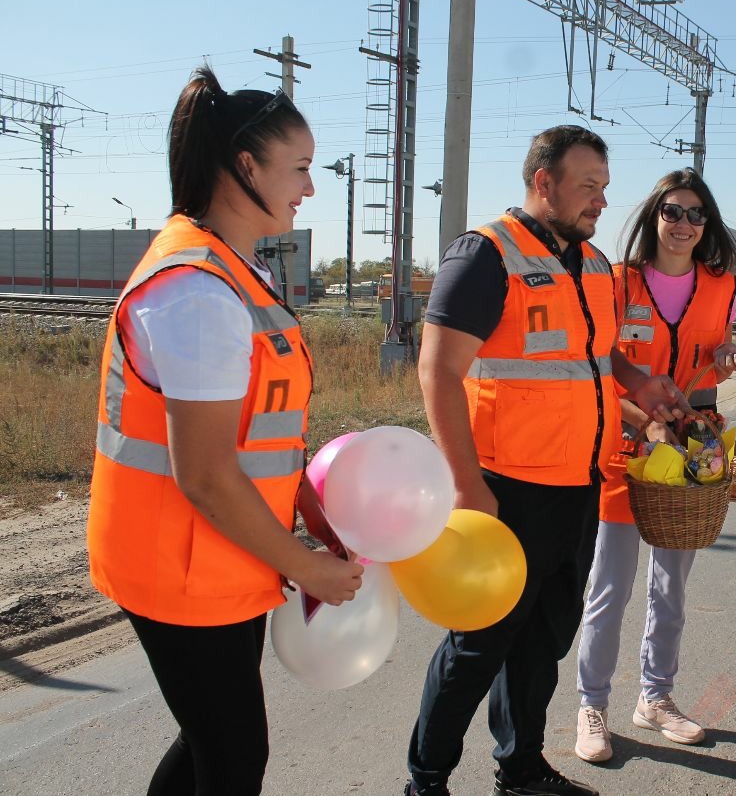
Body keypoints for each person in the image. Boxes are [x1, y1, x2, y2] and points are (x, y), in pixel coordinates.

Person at [86, 66, 365, 795]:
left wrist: (307, 505)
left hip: (222, 554)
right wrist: (307, 568)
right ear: (246, 167)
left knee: (213, 743)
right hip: (177, 561)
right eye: (299, 168)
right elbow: (205, 473)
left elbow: (259, 431)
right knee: (234, 754)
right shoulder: (197, 291)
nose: (310, 187)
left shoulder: (235, 270)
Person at [406, 125, 689, 796]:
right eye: (588, 186)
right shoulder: (485, 255)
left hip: (578, 485)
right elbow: (436, 372)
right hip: (503, 491)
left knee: (542, 645)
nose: (600, 201)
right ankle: (425, 782)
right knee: (478, 648)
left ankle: (521, 767)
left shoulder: (592, 266)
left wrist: (636, 383)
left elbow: (589, 359)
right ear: (544, 183)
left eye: (604, 188)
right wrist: (468, 486)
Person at [573, 168, 736, 764]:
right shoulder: (615, 283)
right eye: (673, 211)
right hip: (626, 449)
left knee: (671, 587)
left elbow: (711, 360)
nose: (684, 224)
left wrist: (725, 357)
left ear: (708, 227)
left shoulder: (720, 285)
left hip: (692, 453)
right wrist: (640, 422)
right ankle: (591, 705)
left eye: (697, 215)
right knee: (609, 588)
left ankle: (656, 697)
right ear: (654, 216)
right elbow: (601, 365)